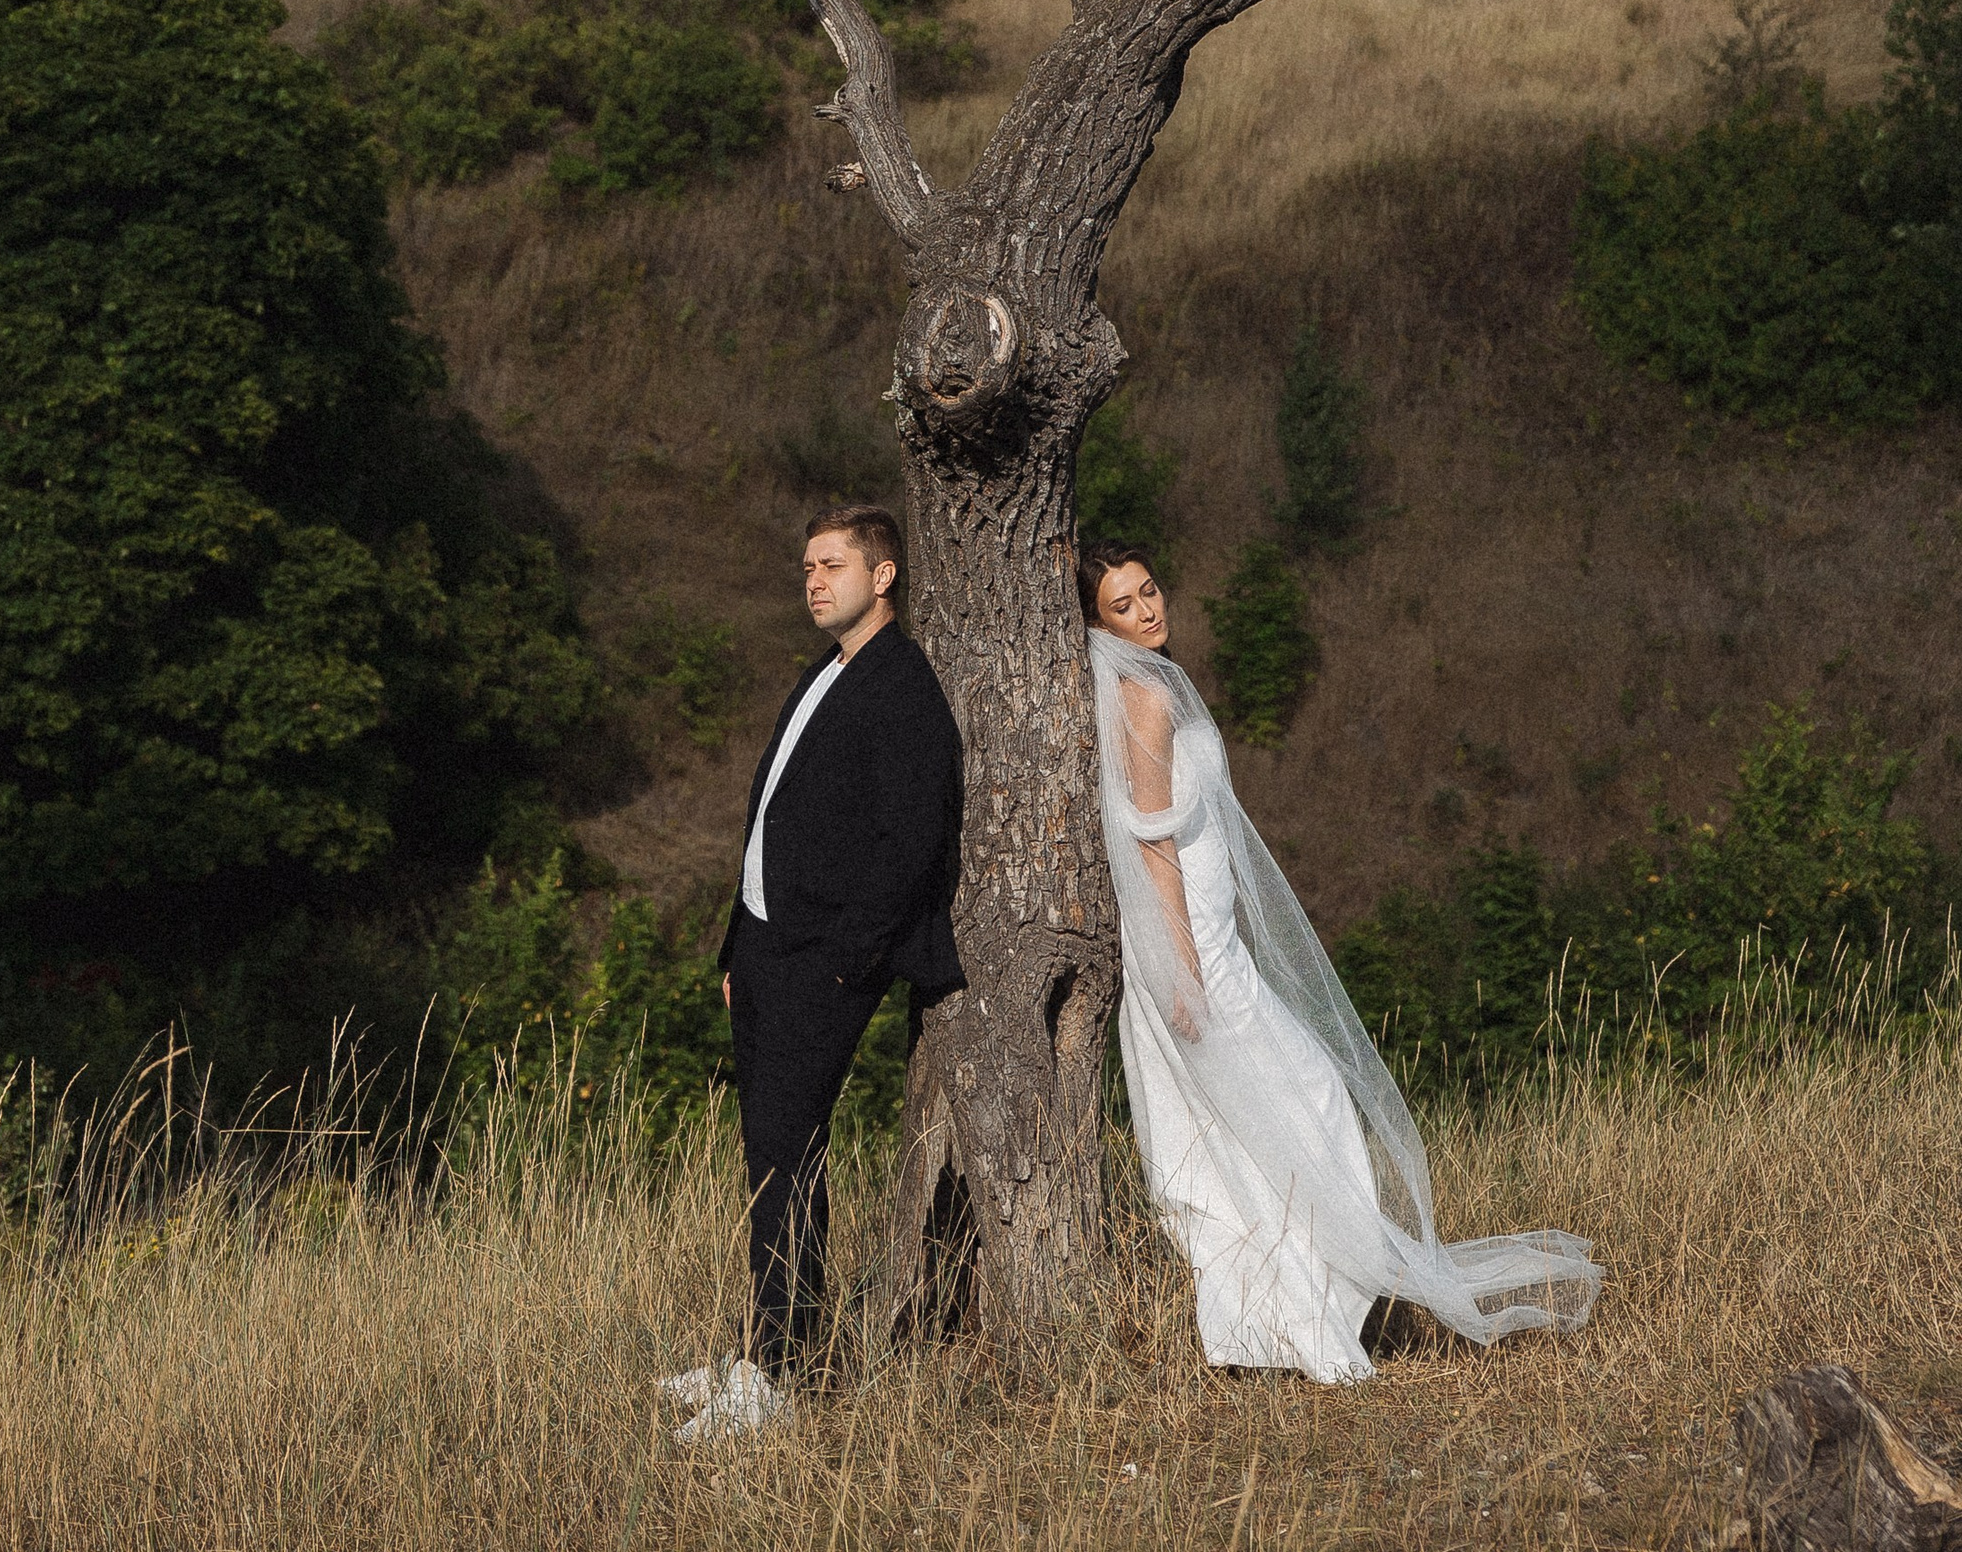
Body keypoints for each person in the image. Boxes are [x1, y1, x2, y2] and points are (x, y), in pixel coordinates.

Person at [1082, 537, 1600, 1382]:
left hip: (1208, 932)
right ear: (1097, 625)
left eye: (1150, 591)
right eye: (1124, 605)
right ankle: (1285, 1321)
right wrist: (1184, 965)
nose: (1149, 611)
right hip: (1189, 943)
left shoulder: (1153, 685)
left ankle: (1292, 1312)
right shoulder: (1142, 697)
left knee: (1277, 1116)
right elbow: (1152, 845)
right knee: (1291, 1107)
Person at [661, 503, 963, 1445]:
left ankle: (785, 1374)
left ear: (884, 576)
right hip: (762, 952)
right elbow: (769, 823)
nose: (813, 580)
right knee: (771, 1159)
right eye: (805, 567)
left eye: (831, 564)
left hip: (822, 963)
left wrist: (845, 965)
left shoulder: (902, 687)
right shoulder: (820, 678)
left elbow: (914, 844)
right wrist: (731, 952)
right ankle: (765, 1354)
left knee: (789, 1157)